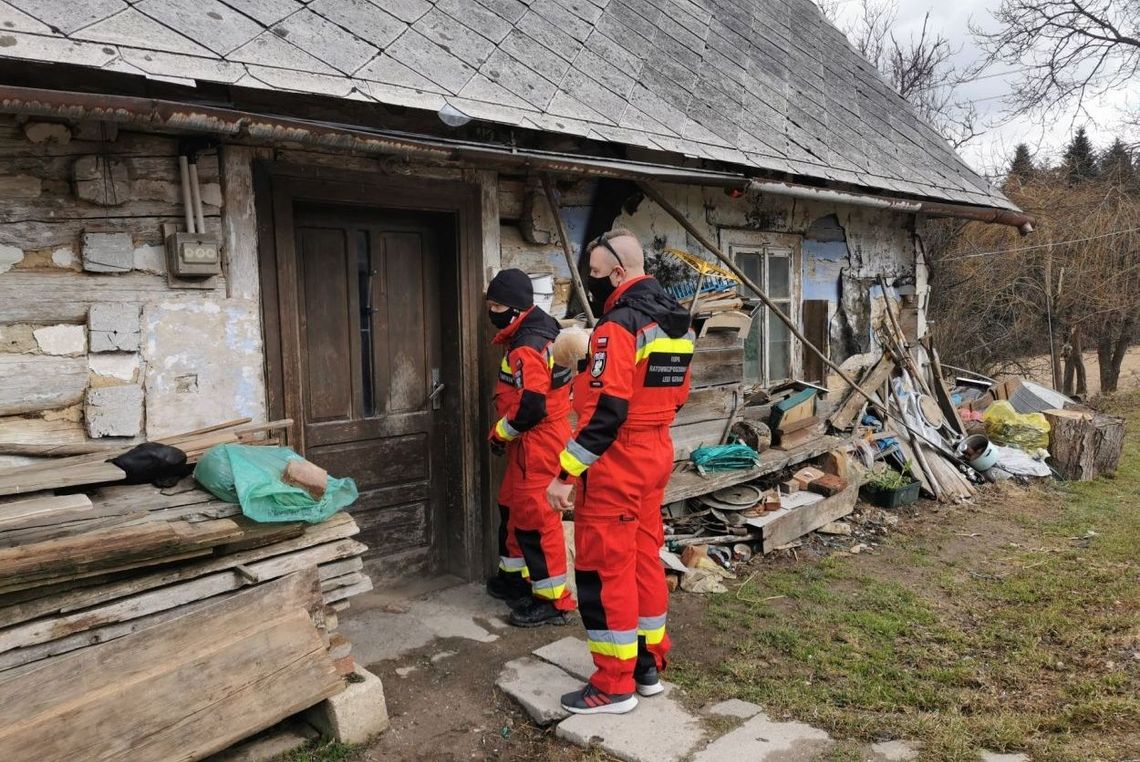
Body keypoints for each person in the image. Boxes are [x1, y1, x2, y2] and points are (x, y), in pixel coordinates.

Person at [546, 230, 695, 714]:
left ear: (616, 273)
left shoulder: (618, 326)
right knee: (644, 560)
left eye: (592, 276)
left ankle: (613, 685)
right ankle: (647, 667)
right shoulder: (678, 324)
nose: (590, 286)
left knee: (604, 571)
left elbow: (606, 415)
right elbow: (674, 395)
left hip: (618, 462)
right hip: (656, 454)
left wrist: (564, 475)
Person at [485, 268, 577, 627]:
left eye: (496, 305)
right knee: (511, 509)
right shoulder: (542, 329)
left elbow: (532, 406)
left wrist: (500, 433)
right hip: (531, 442)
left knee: (537, 522)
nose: (492, 311)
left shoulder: (527, 345)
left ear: (515, 308)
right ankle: (515, 579)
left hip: (537, 442)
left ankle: (553, 601)